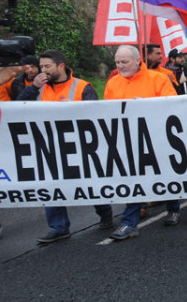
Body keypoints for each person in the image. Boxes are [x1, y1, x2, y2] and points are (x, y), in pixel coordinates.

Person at [19, 50, 115, 242]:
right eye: (42, 66)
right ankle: (59, 227)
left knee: (90, 184)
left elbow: (95, 114)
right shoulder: (37, 88)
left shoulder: (82, 86)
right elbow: (17, 108)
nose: (42, 70)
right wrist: (32, 88)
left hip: (80, 146)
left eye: (47, 66)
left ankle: (105, 213)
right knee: (51, 185)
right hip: (48, 146)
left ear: (61, 66)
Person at [103, 45, 178, 240]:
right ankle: (129, 222)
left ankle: (173, 207)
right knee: (133, 179)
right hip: (127, 141)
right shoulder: (113, 83)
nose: (120, 66)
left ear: (138, 61)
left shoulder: (159, 79)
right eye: (117, 62)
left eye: (124, 62)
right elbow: (105, 111)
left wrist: (147, 106)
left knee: (166, 175)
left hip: (157, 138)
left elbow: (173, 106)